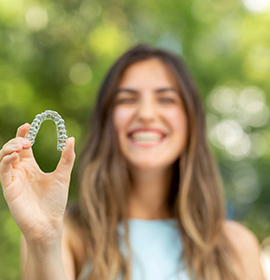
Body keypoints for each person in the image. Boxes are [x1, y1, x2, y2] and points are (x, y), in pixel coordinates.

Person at [0, 44, 265, 280]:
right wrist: (43, 241)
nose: (147, 114)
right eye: (127, 99)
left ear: (190, 120)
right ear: (107, 122)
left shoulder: (237, 246)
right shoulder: (64, 235)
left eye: (166, 99)